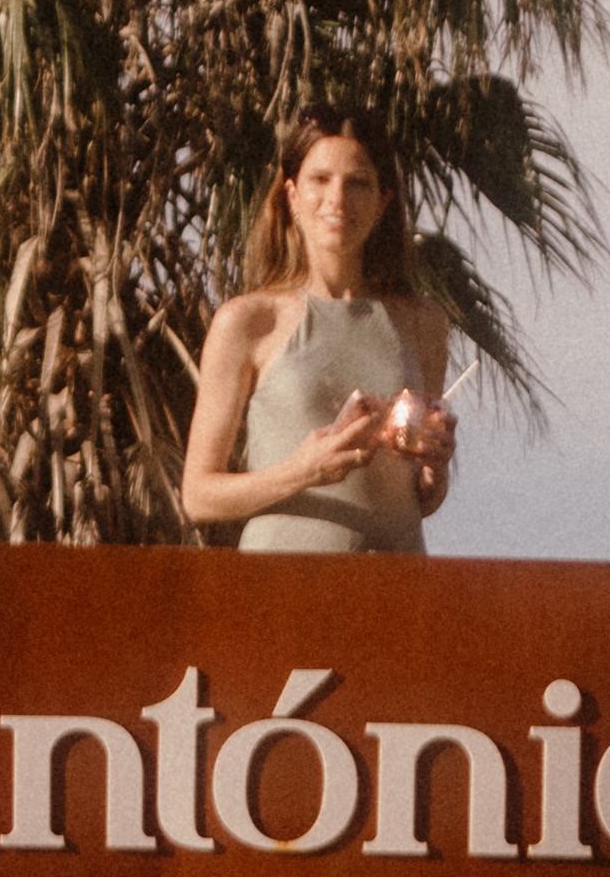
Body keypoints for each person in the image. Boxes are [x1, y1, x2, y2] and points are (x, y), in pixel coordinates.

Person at [179, 119, 460, 553]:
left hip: (395, 596)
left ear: (384, 201)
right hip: (280, 596)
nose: (338, 199)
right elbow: (198, 496)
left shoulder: (423, 324)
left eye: (358, 183)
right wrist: (303, 470)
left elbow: (419, 499)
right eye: (320, 179)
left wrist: (435, 467)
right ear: (291, 195)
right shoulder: (249, 322)